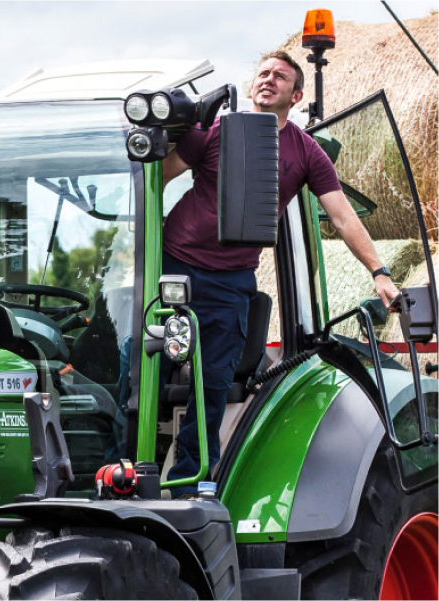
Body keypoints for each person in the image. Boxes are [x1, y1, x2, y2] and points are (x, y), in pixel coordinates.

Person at [160, 51, 398, 496]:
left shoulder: (305, 151)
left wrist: (380, 271)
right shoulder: (212, 129)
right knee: (136, 358)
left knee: (212, 380)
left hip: (230, 281)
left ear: (297, 94)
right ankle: (119, 467)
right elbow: (155, 181)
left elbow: (343, 217)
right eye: (263, 73)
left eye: (280, 76)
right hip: (173, 264)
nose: (268, 80)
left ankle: (189, 485)